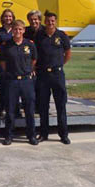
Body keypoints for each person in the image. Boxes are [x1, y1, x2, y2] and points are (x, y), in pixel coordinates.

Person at [34, 11, 72, 144]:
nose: (50, 23)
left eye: (53, 21)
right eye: (48, 21)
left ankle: (63, 135)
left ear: (55, 22)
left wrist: (59, 65)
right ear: (45, 22)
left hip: (57, 75)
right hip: (43, 75)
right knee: (43, 106)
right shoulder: (40, 35)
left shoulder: (62, 36)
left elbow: (67, 53)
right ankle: (44, 134)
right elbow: (35, 53)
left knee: (61, 105)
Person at [0, 20, 38, 146]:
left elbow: (34, 60)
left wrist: (28, 71)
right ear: (12, 30)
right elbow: (3, 63)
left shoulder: (29, 44)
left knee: (29, 110)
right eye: (15, 29)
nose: (18, 32)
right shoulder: (6, 45)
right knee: (10, 111)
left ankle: (31, 135)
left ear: (24, 30)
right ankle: (9, 136)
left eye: (20, 29)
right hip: (12, 81)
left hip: (26, 81)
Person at [0, 9, 15, 118]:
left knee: (13, 86)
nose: (8, 18)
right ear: (2, 18)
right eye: (6, 16)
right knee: (1, 86)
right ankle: (0, 109)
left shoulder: (15, 30)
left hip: (14, 61)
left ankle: (14, 109)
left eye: (10, 16)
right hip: (1, 61)